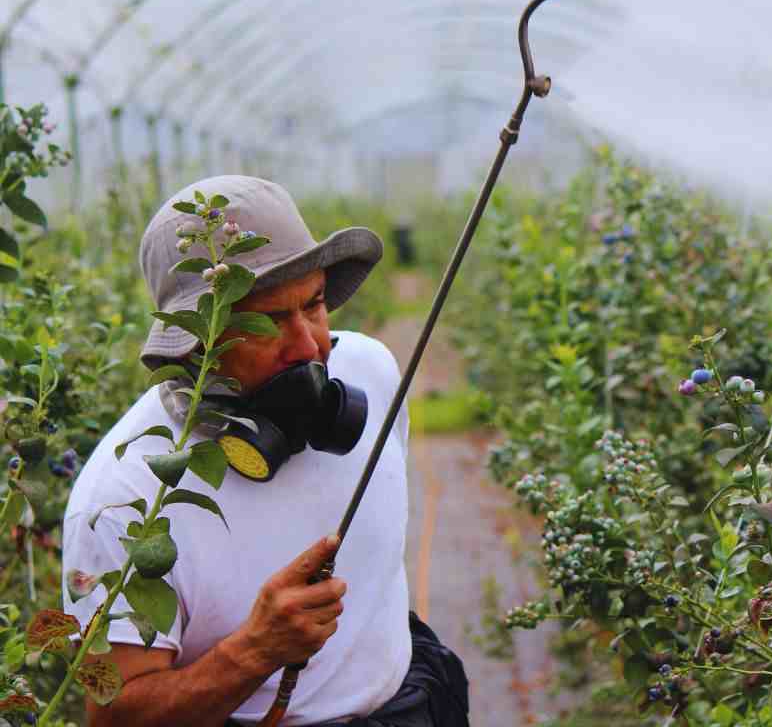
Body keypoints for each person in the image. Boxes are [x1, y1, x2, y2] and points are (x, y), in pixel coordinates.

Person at [60, 176, 469, 727]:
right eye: (268, 322)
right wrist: (253, 651)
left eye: (315, 304)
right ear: (195, 340)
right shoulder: (123, 501)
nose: (310, 347)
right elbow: (114, 716)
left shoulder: (370, 372)